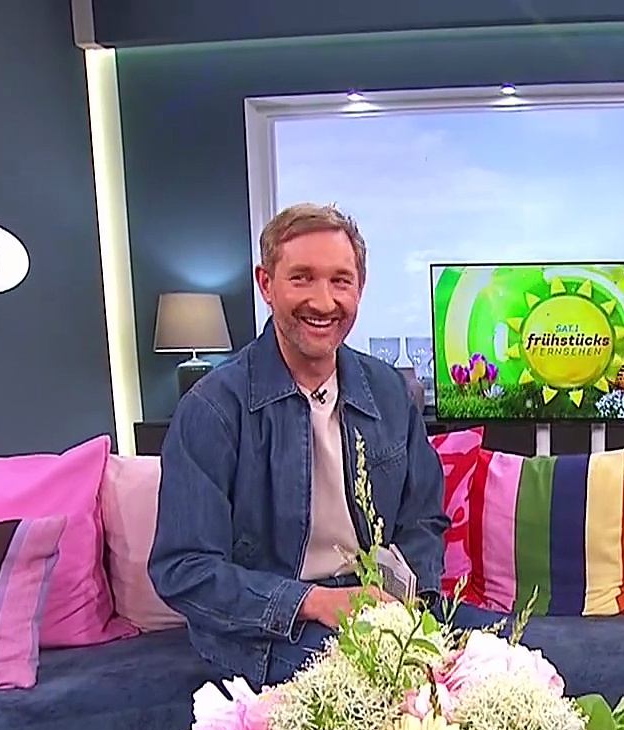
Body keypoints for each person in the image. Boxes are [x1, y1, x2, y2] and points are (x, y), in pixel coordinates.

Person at [150, 203, 483, 689]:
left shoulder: (390, 391)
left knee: (510, 668)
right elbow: (184, 568)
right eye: (302, 278)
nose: (324, 302)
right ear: (266, 284)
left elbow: (423, 519)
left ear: (359, 288)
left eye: (340, 281)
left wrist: (405, 602)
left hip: (379, 610)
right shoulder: (212, 409)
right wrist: (313, 602)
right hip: (268, 629)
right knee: (393, 686)